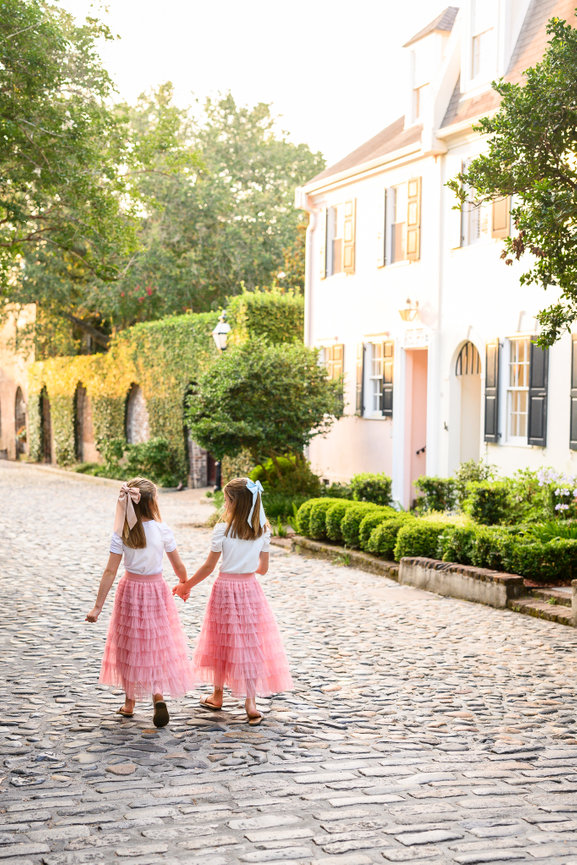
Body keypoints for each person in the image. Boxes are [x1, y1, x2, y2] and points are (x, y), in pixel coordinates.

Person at [173, 477, 293, 725]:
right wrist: (246, 566)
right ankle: (250, 702)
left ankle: (217, 696)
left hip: (225, 589)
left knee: (221, 639)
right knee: (250, 642)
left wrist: (186, 585)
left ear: (235, 503)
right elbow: (263, 569)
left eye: (226, 500)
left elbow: (209, 566)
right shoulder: (263, 531)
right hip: (250, 590)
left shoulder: (222, 531)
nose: (224, 504)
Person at [86, 477, 194, 727]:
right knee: (155, 643)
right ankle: (158, 696)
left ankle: (129, 702)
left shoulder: (123, 532)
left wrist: (97, 607)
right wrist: (183, 584)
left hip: (130, 592)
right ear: (152, 503)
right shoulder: (162, 529)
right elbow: (178, 566)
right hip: (157, 591)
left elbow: (110, 572)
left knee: (129, 644)